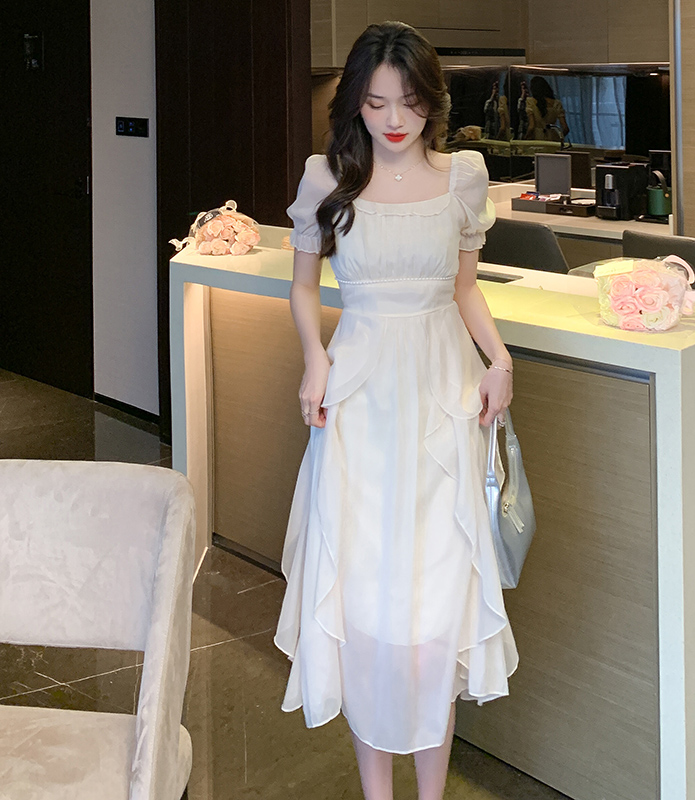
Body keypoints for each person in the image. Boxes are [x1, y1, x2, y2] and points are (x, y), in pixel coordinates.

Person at [274, 21, 518, 800]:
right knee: (366, 605)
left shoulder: (463, 178)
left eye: (409, 102)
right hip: (360, 401)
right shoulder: (327, 178)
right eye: (377, 103)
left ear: (430, 102)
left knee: (435, 609)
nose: (393, 119)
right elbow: (303, 286)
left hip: (444, 398)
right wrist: (315, 358)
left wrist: (499, 359)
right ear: (356, 102)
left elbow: (465, 288)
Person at [526, 75, 570, 142]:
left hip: (537, 138)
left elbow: (531, 126)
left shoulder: (531, 102)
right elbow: (565, 128)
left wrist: (526, 137)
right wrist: (559, 138)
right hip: (553, 138)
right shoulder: (556, 103)